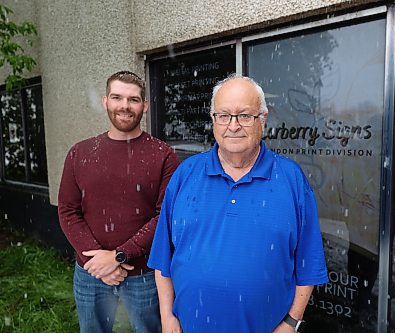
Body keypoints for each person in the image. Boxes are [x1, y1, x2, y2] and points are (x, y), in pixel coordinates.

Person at [148, 74, 328, 333]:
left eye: (245, 115)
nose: (233, 126)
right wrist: (167, 317)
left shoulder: (291, 180)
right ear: (213, 120)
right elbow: (163, 258)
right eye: (223, 115)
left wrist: (291, 323)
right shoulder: (185, 175)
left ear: (262, 120)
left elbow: (308, 263)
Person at [58, 70, 180, 333]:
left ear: (144, 106)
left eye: (133, 99)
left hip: (144, 275)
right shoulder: (80, 153)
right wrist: (98, 262)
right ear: (105, 102)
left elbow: (164, 216)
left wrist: (119, 256)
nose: (124, 106)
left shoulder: (163, 154)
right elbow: (68, 211)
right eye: (117, 97)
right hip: (90, 272)